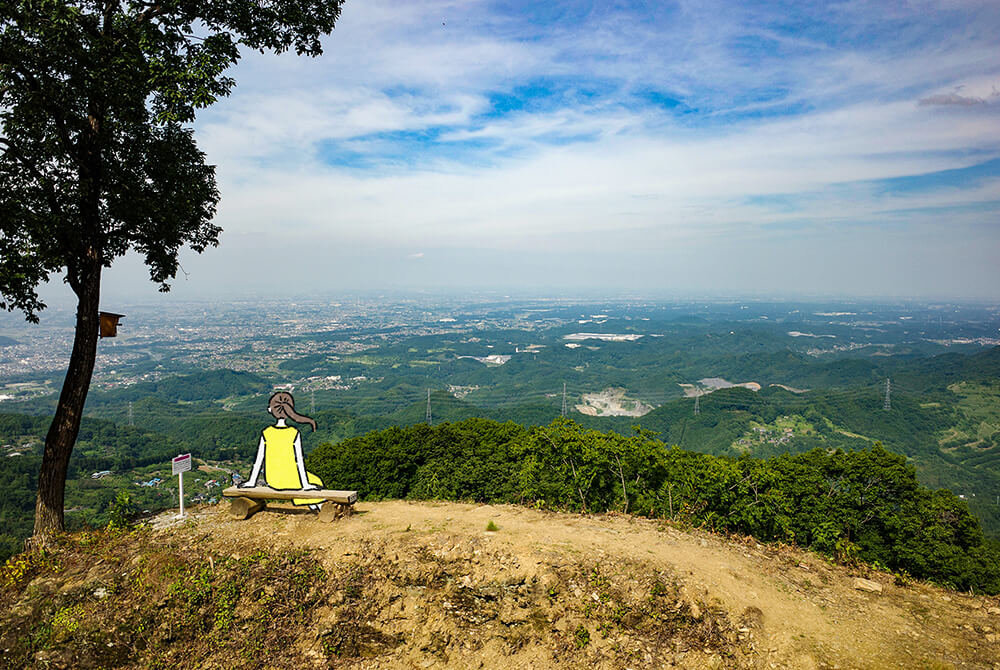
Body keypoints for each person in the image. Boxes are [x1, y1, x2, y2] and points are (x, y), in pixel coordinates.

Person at [241, 391, 324, 509]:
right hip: (291, 478)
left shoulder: (266, 432)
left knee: (312, 484)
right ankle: (319, 508)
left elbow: (259, 460)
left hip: (272, 480)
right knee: (316, 481)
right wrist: (305, 485)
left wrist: (251, 482)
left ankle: (315, 507)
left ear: (271, 409)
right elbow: (299, 461)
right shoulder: (294, 433)